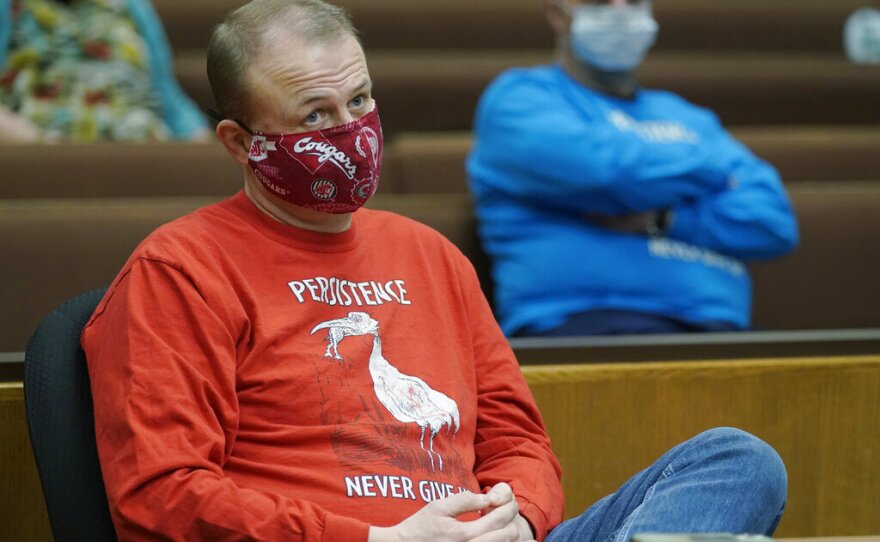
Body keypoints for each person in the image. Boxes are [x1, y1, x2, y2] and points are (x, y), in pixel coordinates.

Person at [82, 1, 787, 540]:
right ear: (241, 143)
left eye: (359, 101)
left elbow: (516, 441)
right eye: (314, 115)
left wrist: (520, 516)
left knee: (737, 461)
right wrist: (376, 539)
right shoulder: (180, 268)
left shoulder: (431, 256)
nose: (350, 131)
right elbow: (161, 491)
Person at [467, 0, 800, 337]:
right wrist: (711, 168)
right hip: (588, 325)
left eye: (635, 2)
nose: (621, 11)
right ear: (557, 14)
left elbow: (774, 223)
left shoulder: (685, 114)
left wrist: (663, 220)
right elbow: (606, 174)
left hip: (719, 331)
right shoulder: (519, 99)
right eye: (600, 2)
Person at [0, 0, 207, 142]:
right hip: (43, 144)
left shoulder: (132, 5)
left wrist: (202, 148)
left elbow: (167, 96)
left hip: (139, 139)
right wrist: (34, 140)